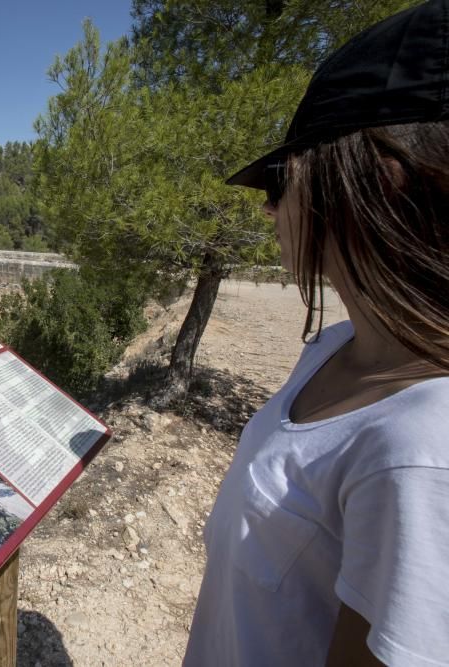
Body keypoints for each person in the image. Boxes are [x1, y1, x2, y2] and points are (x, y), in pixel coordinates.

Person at [183, 2, 449, 665]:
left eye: (280, 177)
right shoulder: (334, 347)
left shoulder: (418, 449)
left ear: (374, 179)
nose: (269, 206)